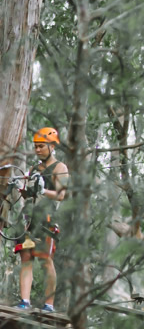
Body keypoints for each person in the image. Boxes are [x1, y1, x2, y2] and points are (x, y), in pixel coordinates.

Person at [15, 127, 68, 312]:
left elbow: (62, 195)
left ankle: (49, 304)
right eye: (36, 147)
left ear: (52, 146)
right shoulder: (34, 168)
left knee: (45, 260)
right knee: (26, 257)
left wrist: (43, 191)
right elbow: (28, 195)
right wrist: (22, 189)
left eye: (41, 146)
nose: (37, 150)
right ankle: (25, 301)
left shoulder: (60, 168)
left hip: (47, 219)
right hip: (30, 218)